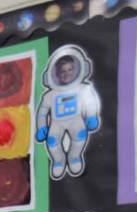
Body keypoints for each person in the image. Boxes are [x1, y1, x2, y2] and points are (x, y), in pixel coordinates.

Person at [36, 45, 101, 178]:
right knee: (52, 141)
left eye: (70, 69)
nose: (67, 73)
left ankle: (74, 157)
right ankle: (58, 161)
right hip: (57, 123)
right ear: (56, 74)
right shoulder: (50, 95)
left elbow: (90, 103)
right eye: (62, 71)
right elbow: (42, 112)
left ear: (78, 70)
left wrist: (91, 117)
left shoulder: (83, 89)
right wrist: (42, 127)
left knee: (80, 135)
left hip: (76, 120)